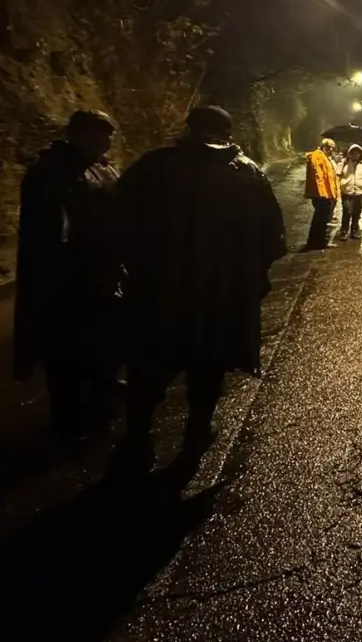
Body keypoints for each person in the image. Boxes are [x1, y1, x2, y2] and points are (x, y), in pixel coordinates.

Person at [111, 106, 286, 476]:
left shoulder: (155, 167)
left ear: (189, 129)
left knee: (150, 368)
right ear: (229, 133)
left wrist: (132, 267)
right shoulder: (248, 173)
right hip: (222, 296)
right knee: (208, 366)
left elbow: (116, 219)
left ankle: (139, 440)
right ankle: (197, 431)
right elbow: (273, 240)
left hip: (160, 292)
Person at [13, 110, 126, 442]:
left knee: (104, 343)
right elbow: (51, 236)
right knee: (67, 353)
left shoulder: (101, 168)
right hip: (67, 282)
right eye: (99, 136)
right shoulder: (50, 174)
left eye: (108, 137)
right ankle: (69, 423)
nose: (105, 143)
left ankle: (100, 401)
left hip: (103, 273)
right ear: (78, 135)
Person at [305, 138, 340, 250]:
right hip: (323, 195)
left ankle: (318, 242)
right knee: (321, 220)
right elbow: (318, 177)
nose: (330, 149)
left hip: (328, 194)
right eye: (328, 147)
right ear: (322, 146)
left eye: (332, 147)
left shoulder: (326, 157)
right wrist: (323, 194)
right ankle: (317, 243)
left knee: (323, 219)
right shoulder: (317, 156)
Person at [337, 144, 362, 240]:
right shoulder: (343, 163)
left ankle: (354, 230)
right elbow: (337, 177)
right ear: (349, 153)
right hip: (346, 192)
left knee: (356, 213)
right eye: (353, 152)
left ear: (360, 154)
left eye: (357, 153)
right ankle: (344, 231)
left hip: (359, 193)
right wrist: (337, 189)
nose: (355, 154)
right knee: (347, 212)